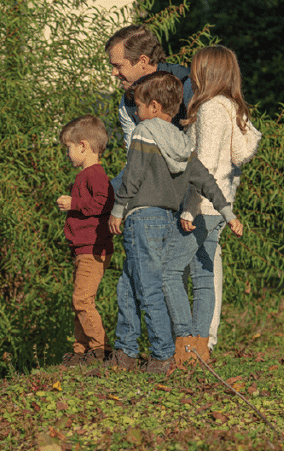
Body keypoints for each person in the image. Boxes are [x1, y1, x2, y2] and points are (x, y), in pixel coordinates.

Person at [107, 72, 243, 374]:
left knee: (148, 288)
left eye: (140, 105)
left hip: (140, 216)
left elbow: (133, 174)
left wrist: (118, 208)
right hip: (167, 219)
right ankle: (125, 351)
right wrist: (228, 213)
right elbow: (205, 180)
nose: (137, 111)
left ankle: (162, 354)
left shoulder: (144, 131)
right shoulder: (182, 142)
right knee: (128, 285)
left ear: (154, 107)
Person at [162, 45, 262, 366]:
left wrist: (189, 208)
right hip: (219, 208)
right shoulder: (230, 108)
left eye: (195, 69)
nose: (190, 74)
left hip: (201, 206)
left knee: (169, 271)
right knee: (204, 275)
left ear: (207, 73)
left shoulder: (210, 109)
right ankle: (200, 349)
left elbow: (202, 164)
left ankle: (186, 345)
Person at [56, 115, 115, 366]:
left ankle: (99, 350)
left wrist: (73, 204)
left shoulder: (94, 174)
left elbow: (104, 202)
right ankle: (81, 351)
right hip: (83, 248)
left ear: (82, 146)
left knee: (82, 300)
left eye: (68, 148)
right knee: (78, 300)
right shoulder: (85, 175)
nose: (67, 154)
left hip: (93, 249)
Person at [105, 24, 193, 192]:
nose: (113, 73)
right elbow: (135, 162)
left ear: (143, 61)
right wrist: (106, 195)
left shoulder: (187, 85)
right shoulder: (128, 103)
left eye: (118, 66)